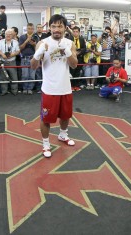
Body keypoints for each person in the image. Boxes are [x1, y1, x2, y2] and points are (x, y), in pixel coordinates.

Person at [30, 14, 78, 158]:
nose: (56, 29)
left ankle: (63, 135)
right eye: (54, 26)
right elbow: (33, 67)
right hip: (49, 89)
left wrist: (67, 51)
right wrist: (38, 54)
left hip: (65, 88)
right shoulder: (42, 43)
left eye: (60, 26)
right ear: (50, 28)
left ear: (64, 28)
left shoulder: (70, 43)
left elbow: (74, 65)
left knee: (65, 116)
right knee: (46, 119)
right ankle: (45, 144)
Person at [0, 29, 20, 96]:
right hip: (3, 62)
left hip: (12, 62)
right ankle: (4, 91)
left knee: (14, 77)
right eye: (7, 34)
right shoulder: (1, 41)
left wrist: (12, 54)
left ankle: (14, 91)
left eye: (10, 34)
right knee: (3, 78)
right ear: (5, 34)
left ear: (12, 35)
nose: (8, 35)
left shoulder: (15, 42)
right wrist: (2, 55)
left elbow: (18, 51)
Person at [19, 23, 36, 94]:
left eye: (32, 29)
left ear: (33, 29)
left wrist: (34, 44)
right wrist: (26, 41)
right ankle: (25, 88)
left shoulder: (36, 37)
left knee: (32, 75)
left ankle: (30, 89)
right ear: (27, 28)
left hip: (33, 58)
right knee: (25, 75)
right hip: (24, 58)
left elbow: (38, 49)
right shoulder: (22, 37)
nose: (30, 30)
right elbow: (20, 48)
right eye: (29, 28)